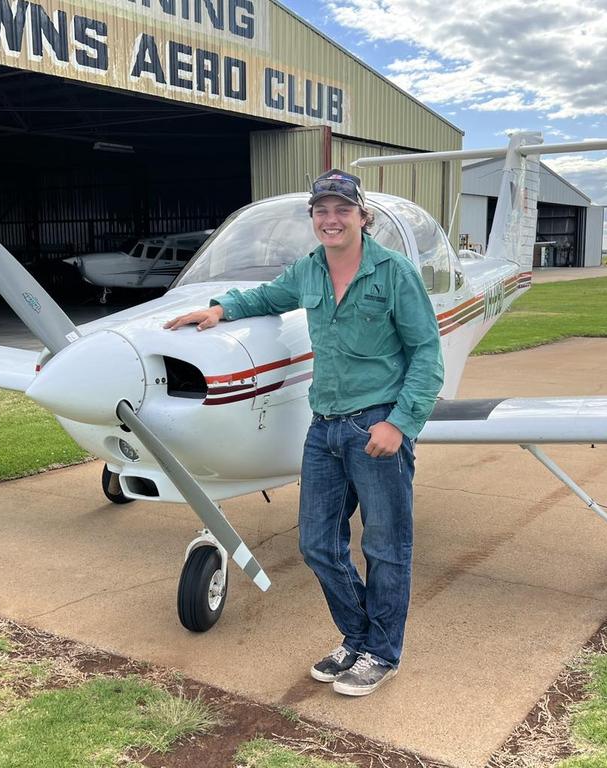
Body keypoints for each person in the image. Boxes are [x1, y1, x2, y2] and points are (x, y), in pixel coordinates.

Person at [165, 170, 444, 696]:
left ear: (364, 217)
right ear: (313, 219)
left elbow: (427, 355)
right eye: (322, 210)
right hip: (325, 428)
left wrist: (400, 424)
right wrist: (221, 309)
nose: (331, 219)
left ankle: (382, 654)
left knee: (386, 547)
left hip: (376, 424)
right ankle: (359, 639)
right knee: (317, 544)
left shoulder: (394, 273)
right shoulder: (310, 270)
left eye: (343, 209)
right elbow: (268, 296)